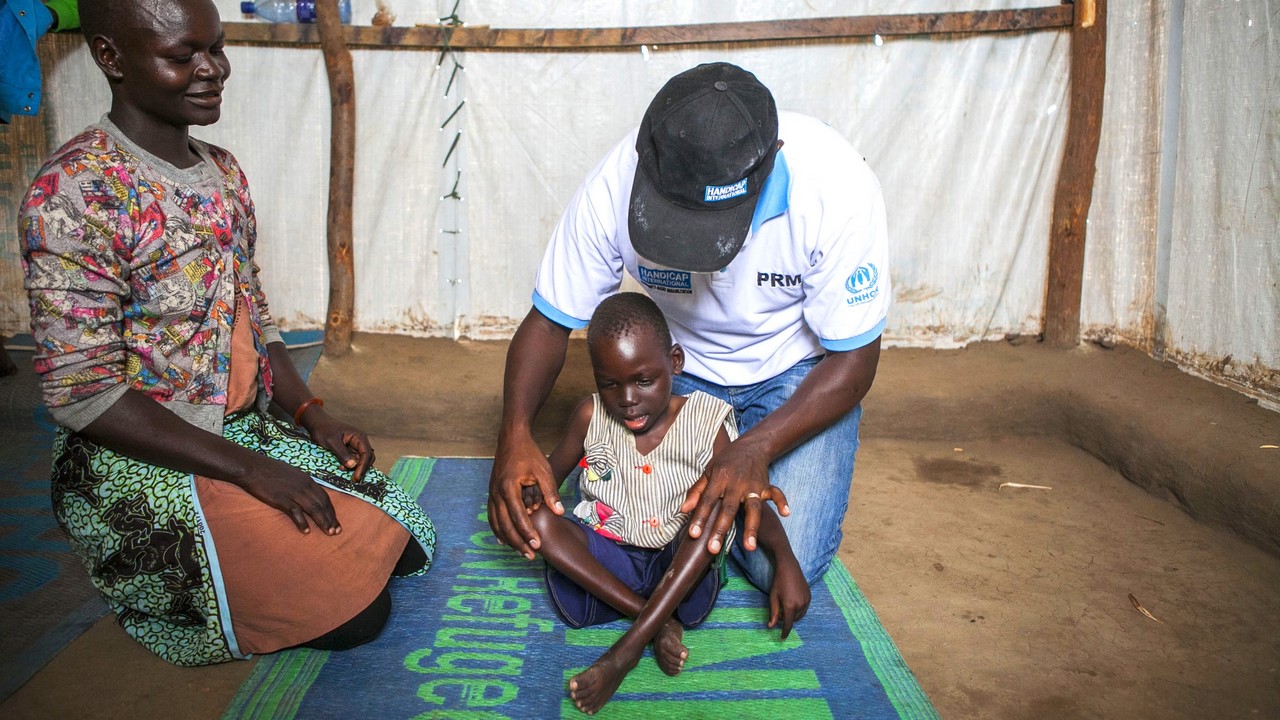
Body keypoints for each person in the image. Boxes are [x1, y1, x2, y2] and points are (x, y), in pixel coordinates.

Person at [18, 0, 435, 665]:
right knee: (356, 613)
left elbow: (256, 317)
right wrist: (253, 472)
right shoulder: (75, 192)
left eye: (216, 48)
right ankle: (167, 581)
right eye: (184, 56)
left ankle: (261, 536)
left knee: (406, 542)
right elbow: (82, 394)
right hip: (139, 458)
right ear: (110, 57)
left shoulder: (223, 173)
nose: (213, 70)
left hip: (241, 431)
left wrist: (309, 414)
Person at [488, 62, 889, 598]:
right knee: (646, 525)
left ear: (767, 168)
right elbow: (550, 320)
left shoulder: (837, 187)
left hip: (797, 376)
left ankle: (743, 457)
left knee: (771, 561)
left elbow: (856, 360)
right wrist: (513, 435)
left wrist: (755, 449)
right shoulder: (617, 178)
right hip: (679, 373)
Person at [525, 292, 809, 714]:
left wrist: (785, 560)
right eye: (610, 383)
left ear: (674, 362)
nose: (627, 398)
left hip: (680, 567)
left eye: (644, 380)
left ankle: (623, 652)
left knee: (712, 511)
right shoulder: (589, 417)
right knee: (541, 521)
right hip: (607, 564)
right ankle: (655, 622)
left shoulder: (706, 420)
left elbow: (743, 500)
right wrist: (528, 494)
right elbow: (549, 482)